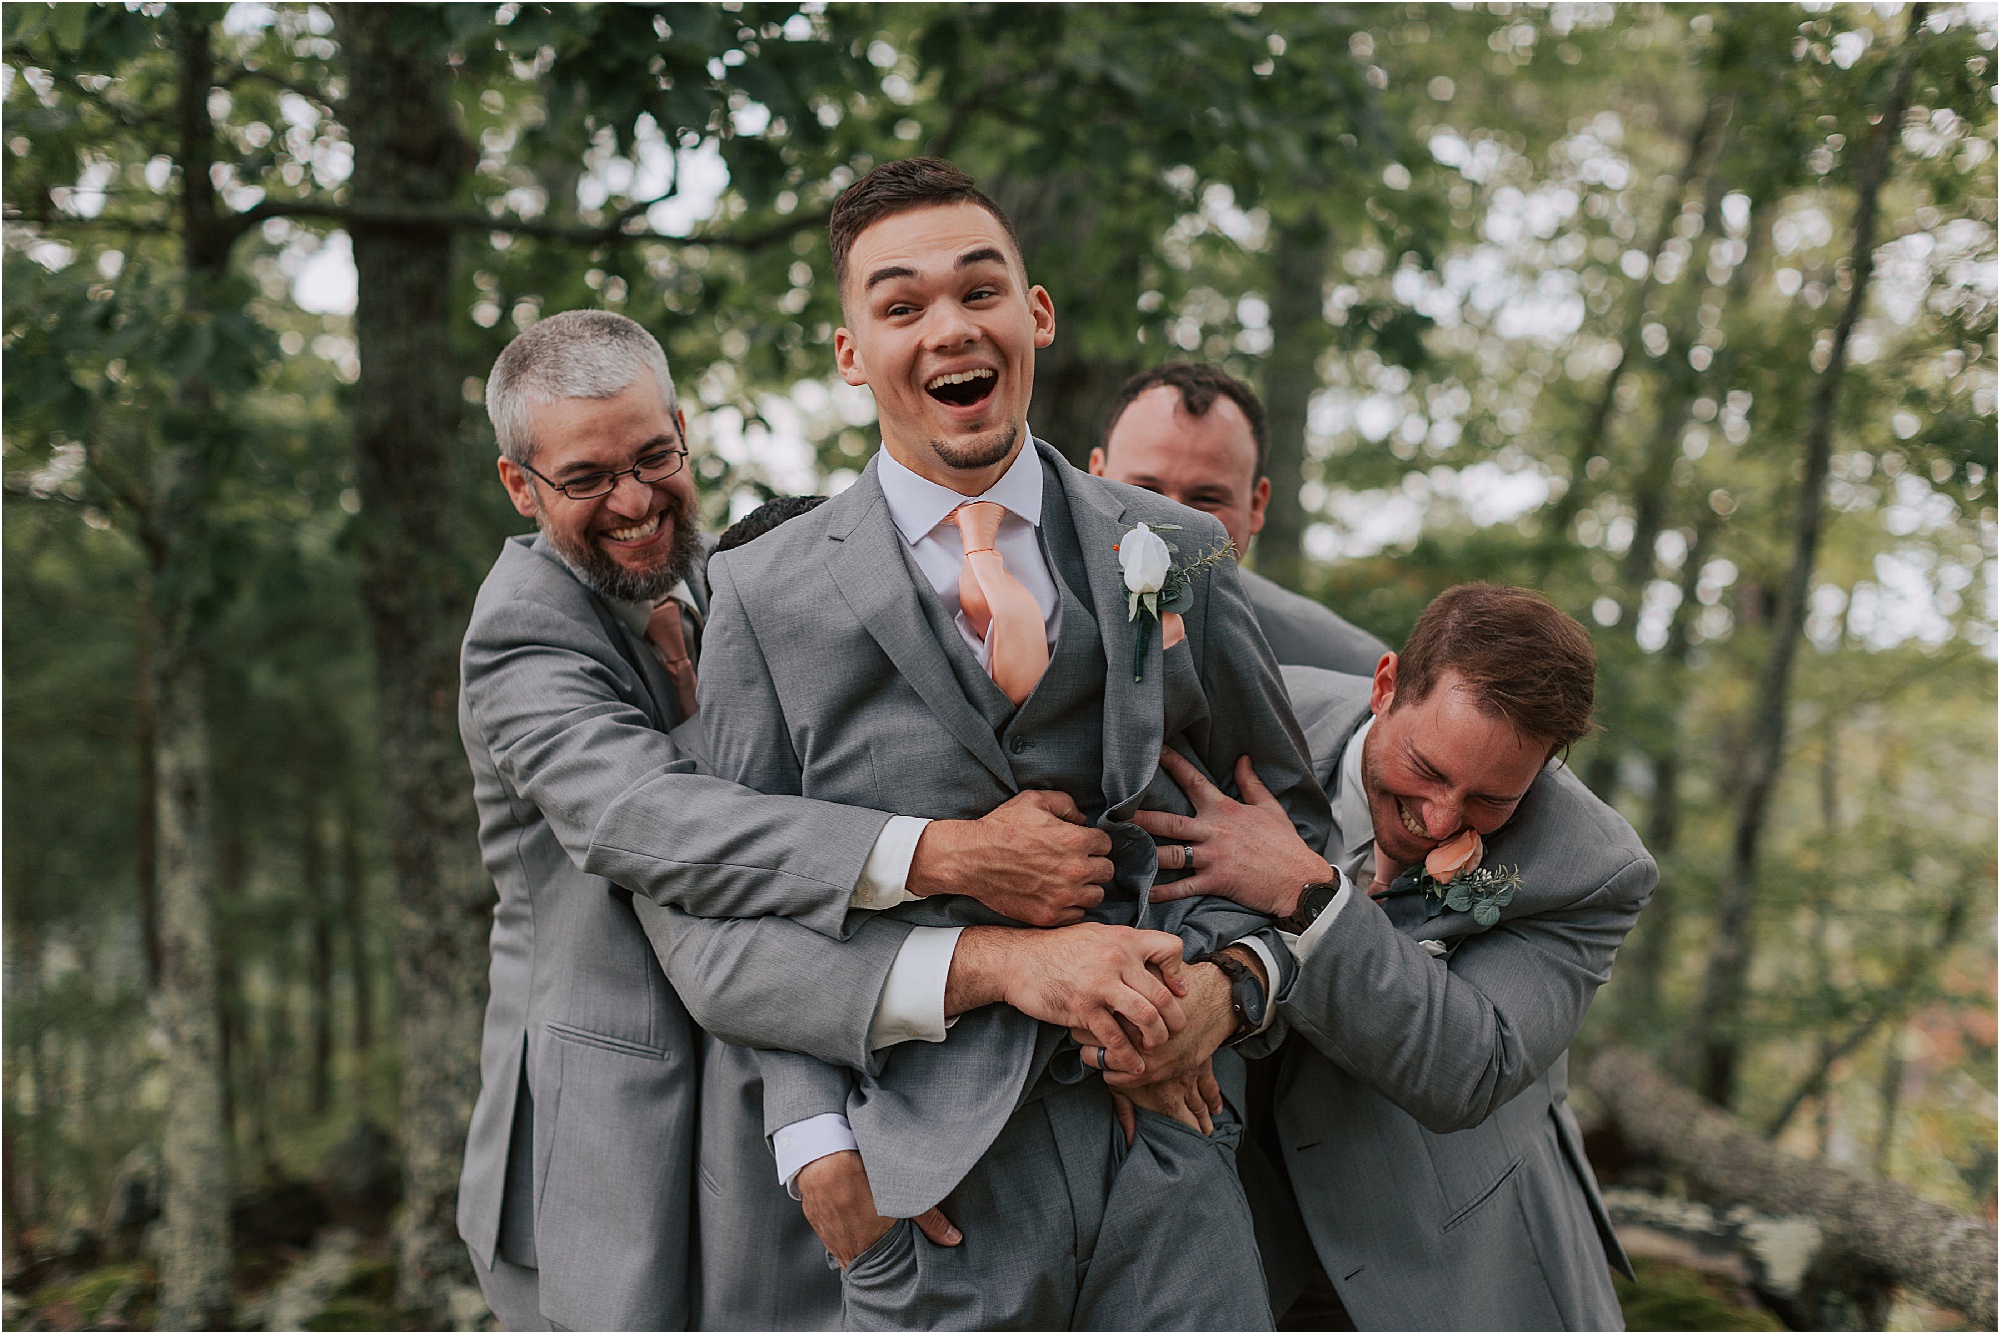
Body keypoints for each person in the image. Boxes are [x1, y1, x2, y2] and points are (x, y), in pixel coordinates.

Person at [664, 156, 1333, 1330]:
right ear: (849, 351)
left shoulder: (1172, 546)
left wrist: (1225, 993)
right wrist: (816, 1141)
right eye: (900, 304)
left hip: (1169, 1159)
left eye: (978, 290)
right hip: (924, 1187)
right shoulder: (764, 594)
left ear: (1033, 315)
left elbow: (1294, 831)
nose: (946, 328)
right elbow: (726, 922)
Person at [455, 310, 1133, 1331]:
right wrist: (951, 854)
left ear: (682, 430)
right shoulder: (521, 632)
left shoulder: (722, 575)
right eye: (588, 479)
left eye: (654, 457)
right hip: (616, 1137)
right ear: (521, 484)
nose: (635, 500)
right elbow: (648, 821)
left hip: (784, 1079)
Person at [1133, 583, 1652, 1330]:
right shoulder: (1237, 728)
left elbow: (1469, 1065)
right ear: (1385, 686)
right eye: (1428, 770)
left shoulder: (1590, 867)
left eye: (1490, 801)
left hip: (1448, 1253)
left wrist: (1310, 895)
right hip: (1235, 1236)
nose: (1440, 820)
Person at [1090, 363, 1388, 674]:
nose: (1173, 525)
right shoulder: (1039, 617)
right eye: (1144, 492)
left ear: (1256, 505)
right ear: (1094, 477)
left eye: (1205, 500)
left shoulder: (1344, 667)